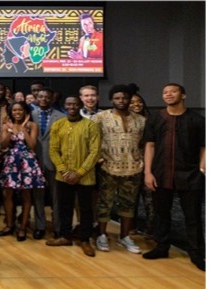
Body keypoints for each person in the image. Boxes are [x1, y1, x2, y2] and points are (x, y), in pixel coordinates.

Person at [141, 83, 205, 271]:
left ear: (183, 95)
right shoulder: (155, 118)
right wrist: (148, 172)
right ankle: (162, 247)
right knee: (161, 214)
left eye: (173, 91)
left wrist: (202, 167)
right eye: (165, 92)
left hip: (190, 174)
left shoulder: (197, 119)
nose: (168, 94)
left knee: (193, 216)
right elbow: (150, 146)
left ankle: (196, 252)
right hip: (161, 173)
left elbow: (204, 146)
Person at [90, 85, 146, 254]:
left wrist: (141, 160)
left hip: (133, 168)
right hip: (107, 167)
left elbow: (145, 143)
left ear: (130, 99)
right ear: (111, 100)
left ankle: (125, 236)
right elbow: (92, 141)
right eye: (117, 98)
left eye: (124, 98)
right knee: (104, 203)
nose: (121, 101)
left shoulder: (141, 120)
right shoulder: (99, 117)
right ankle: (101, 235)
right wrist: (99, 160)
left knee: (128, 204)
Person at [45, 96, 101, 258]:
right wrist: (63, 170)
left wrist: (79, 172)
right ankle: (65, 236)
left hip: (85, 176)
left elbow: (94, 151)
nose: (72, 107)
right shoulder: (58, 125)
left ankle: (85, 239)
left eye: (75, 104)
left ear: (80, 105)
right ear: (64, 105)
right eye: (69, 104)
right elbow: (53, 150)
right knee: (64, 207)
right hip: (63, 176)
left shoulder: (90, 125)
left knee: (85, 209)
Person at [0, 102, 45, 241]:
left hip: (27, 161)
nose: (17, 112)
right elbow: (4, 144)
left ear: (25, 112)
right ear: (11, 112)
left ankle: (23, 227)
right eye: (14, 110)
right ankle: (9, 225)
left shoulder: (32, 125)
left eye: (20, 110)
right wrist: (9, 131)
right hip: (11, 161)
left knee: (26, 195)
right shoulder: (6, 125)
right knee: (7, 194)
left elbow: (32, 145)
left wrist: (23, 129)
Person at [30, 88, 65, 240]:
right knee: (38, 196)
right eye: (41, 96)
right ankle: (40, 226)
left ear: (52, 99)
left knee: (57, 197)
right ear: (36, 98)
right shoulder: (29, 116)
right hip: (35, 161)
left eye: (47, 97)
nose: (44, 99)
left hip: (55, 162)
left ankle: (58, 227)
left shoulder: (62, 117)